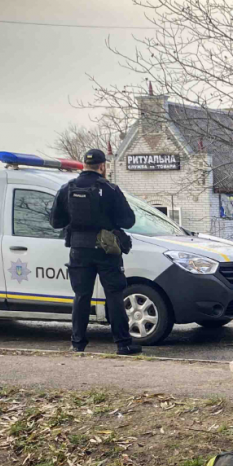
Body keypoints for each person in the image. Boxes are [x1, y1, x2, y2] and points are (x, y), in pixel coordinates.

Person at [50, 148, 141, 355]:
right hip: (106, 249)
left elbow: (56, 221)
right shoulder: (109, 189)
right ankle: (123, 344)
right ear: (102, 166)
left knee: (81, 296)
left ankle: (77, 344)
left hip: (79, 249)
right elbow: (128, 220)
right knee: (114, 295)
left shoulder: (67, 188)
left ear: (84, 165)